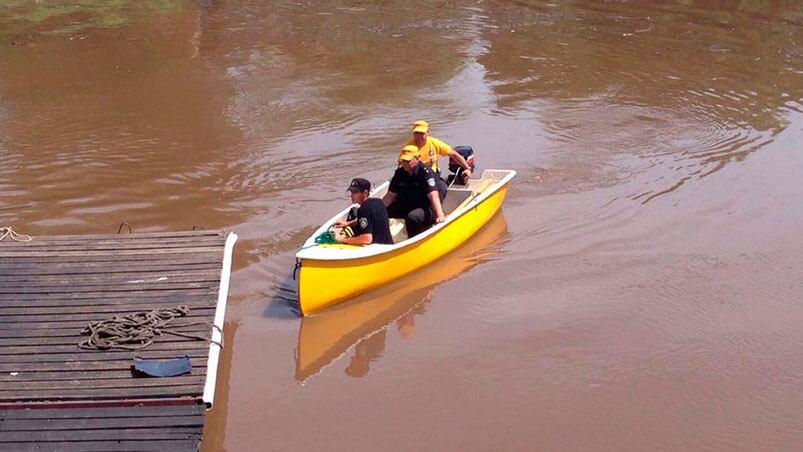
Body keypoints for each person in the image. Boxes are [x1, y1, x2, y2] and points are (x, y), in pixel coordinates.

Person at [383, 145, 447, 238]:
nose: (405, 163)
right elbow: (390, 196)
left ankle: (413, 240)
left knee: (412, 217)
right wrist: (378, 208)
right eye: (403, 161)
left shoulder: (425, 172)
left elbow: (433, 195)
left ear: (417, 158)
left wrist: (440, 215)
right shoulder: (399, 173)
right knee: (382, 212)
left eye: (408, 161)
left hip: (426, 208)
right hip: (407, 205)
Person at [404, 120, 473, 179]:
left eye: (422, 133)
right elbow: (402, 165)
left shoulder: (434, 143)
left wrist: (467, 168)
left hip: (432, 175)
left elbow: (454, 154)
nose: (419, 136)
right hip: (415, 176)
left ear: (427, 132)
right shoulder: (408, 147)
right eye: (416, 133)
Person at [333, 178, 393, 245]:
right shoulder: (379, 202)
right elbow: (369, 218)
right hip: (388, 244)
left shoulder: (363, 210)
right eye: (351, 192)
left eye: (355, 192)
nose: (352, 195)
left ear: (365, 193)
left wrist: (343, 239)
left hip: (375, 250)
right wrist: (348, 223)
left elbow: (367, 239)